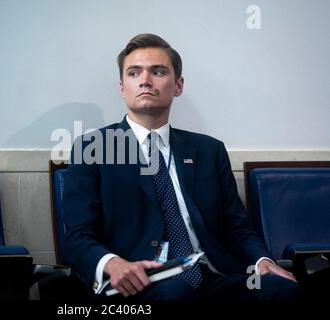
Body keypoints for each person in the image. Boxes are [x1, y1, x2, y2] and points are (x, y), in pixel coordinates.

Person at [61, 33, 302, 300]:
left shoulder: (209, 151)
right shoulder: (95, 148)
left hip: (212, 276)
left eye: (158, 71)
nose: (145, 80)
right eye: (134, 73)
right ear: (122, 87)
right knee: (176, 294)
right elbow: (77, 237)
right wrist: (112, 263)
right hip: (137, 282)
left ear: (178, 85)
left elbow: (237, 227)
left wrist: (261, 260)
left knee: (281, 289)